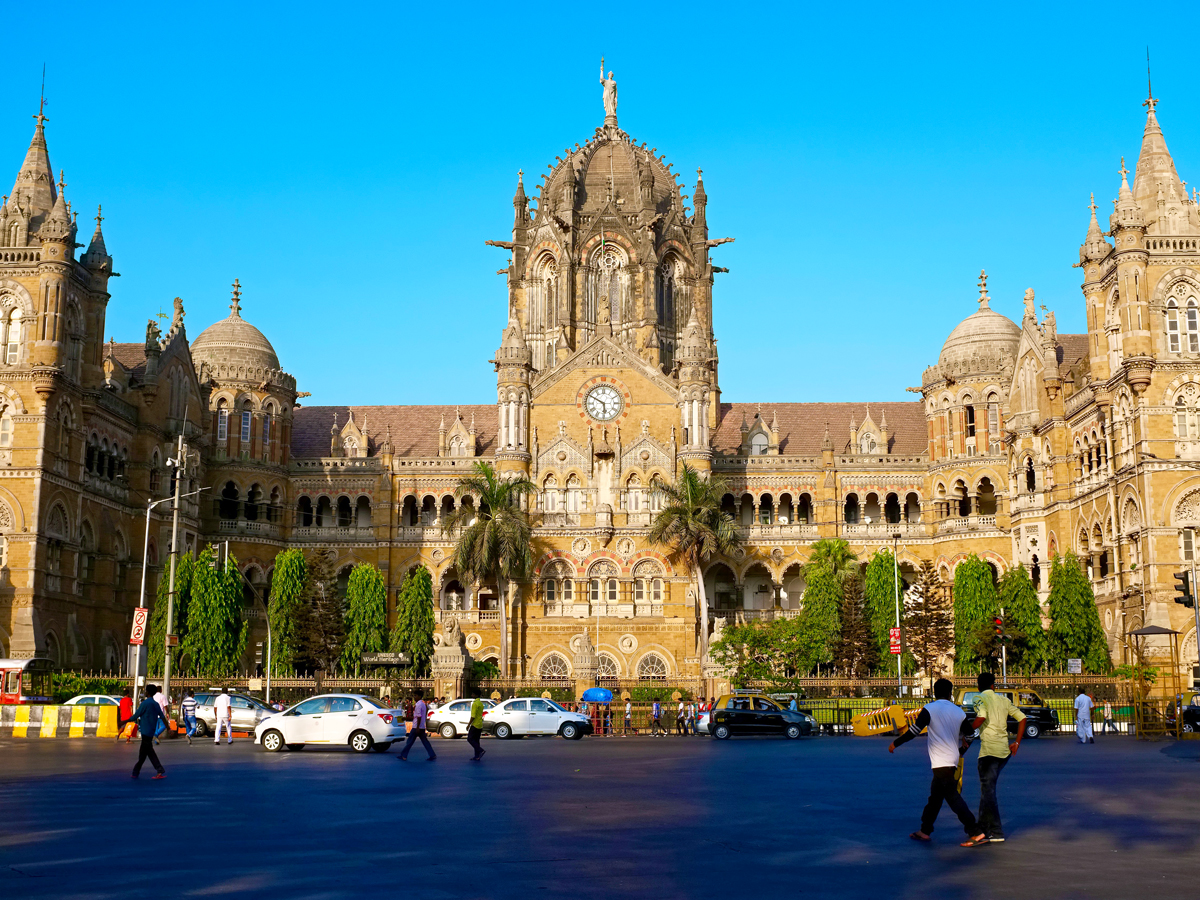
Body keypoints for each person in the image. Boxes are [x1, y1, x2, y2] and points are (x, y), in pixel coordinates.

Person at [889, 677, 987, 847]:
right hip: (952, 758)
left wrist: (895, 743)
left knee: (952, 797)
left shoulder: (929, 709)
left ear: (934, 692)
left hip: (940, 760)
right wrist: (962, 751)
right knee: (935, 797)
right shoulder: (958, 712)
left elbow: (914, 730)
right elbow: (971, 735)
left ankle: (975, 831)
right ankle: (925, 830)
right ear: (950, 693)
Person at [970, 672, 1026, 843]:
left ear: (978, 687)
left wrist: (967, 731)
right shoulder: (1003, 700)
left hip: (989, 751)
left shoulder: (979, 698)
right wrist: (1016, 742)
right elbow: (1022, 718)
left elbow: (981, 717)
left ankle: (994, 831)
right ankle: (983, 829)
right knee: (987, 790)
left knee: (988, 791)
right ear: (993, 686)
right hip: (1004, 751)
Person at [130, 685, 169, 779]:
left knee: (145, 752)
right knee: (146, 752)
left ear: (147, 692)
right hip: (151, 731)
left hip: (145, 731)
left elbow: (136, 716)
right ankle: (137, 772)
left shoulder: (145, 703)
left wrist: (123, 721)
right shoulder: (155, 704)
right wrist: (168, 728)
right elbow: (163, 717)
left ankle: (138, 772)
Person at [399, 689, 437, 762]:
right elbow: (418, 716)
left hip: (417, 726)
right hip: (421, 726)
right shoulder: (423, 704)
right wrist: (406, 718)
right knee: (425, 742)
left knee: (410, 741)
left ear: (419, 696)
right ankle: (432, 754)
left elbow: (418, 717)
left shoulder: (418, 705)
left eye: (415, 696)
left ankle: (404, 755)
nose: (414, 697)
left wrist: (417, 727)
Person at [467, 696, 486, 762]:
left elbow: (473, 716)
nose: (472, 695)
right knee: (476, 740)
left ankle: (480, 750)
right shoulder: (480, 703)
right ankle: (477, 756)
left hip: (475, 724)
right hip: (480, 724)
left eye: (473, 694)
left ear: (475, 694)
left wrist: (468, 724)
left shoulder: (475, 703)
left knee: (470, 739)